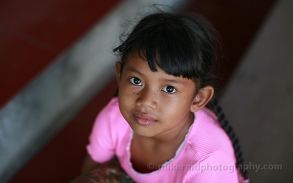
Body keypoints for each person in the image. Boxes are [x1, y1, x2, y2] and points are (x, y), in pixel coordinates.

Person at [71, 12, 249, 183]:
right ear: (119, 75)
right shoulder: (113, 119)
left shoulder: (209, 161)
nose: (146, 101)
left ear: (198, 99)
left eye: (169, 89)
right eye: (136, 80)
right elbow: (91, 172)